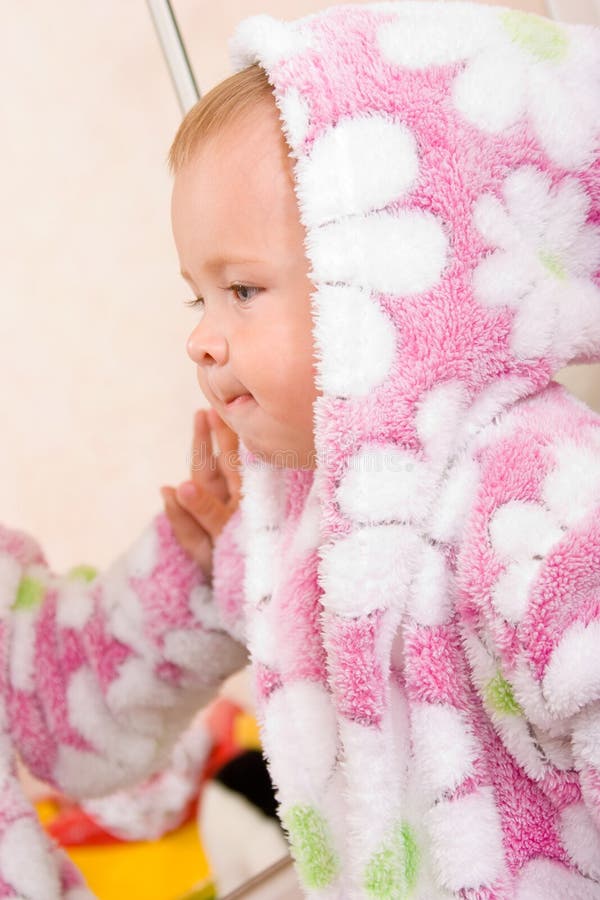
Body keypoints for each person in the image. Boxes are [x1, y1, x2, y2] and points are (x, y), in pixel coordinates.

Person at [1, 2, 600, 897]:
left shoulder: (543, 503)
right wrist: (217, 567)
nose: (201, 342)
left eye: (241, 288)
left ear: (399, 285)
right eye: (195, 299)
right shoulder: (297, 528)